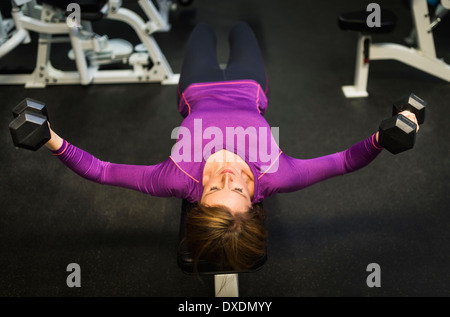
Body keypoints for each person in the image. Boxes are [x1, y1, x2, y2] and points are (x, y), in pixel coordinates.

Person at [44, 22, 419, 273]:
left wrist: (50, 138)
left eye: (212, 189)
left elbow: (103, 171)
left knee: (202, 31)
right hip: (250, 85)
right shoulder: (278, 174)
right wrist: (382, 140)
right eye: (238, 188)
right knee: (243, 29)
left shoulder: (176, 179)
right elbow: (343, 161)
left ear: (197, 197)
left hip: (195, 86)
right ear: (256, 201)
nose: (226, 176)